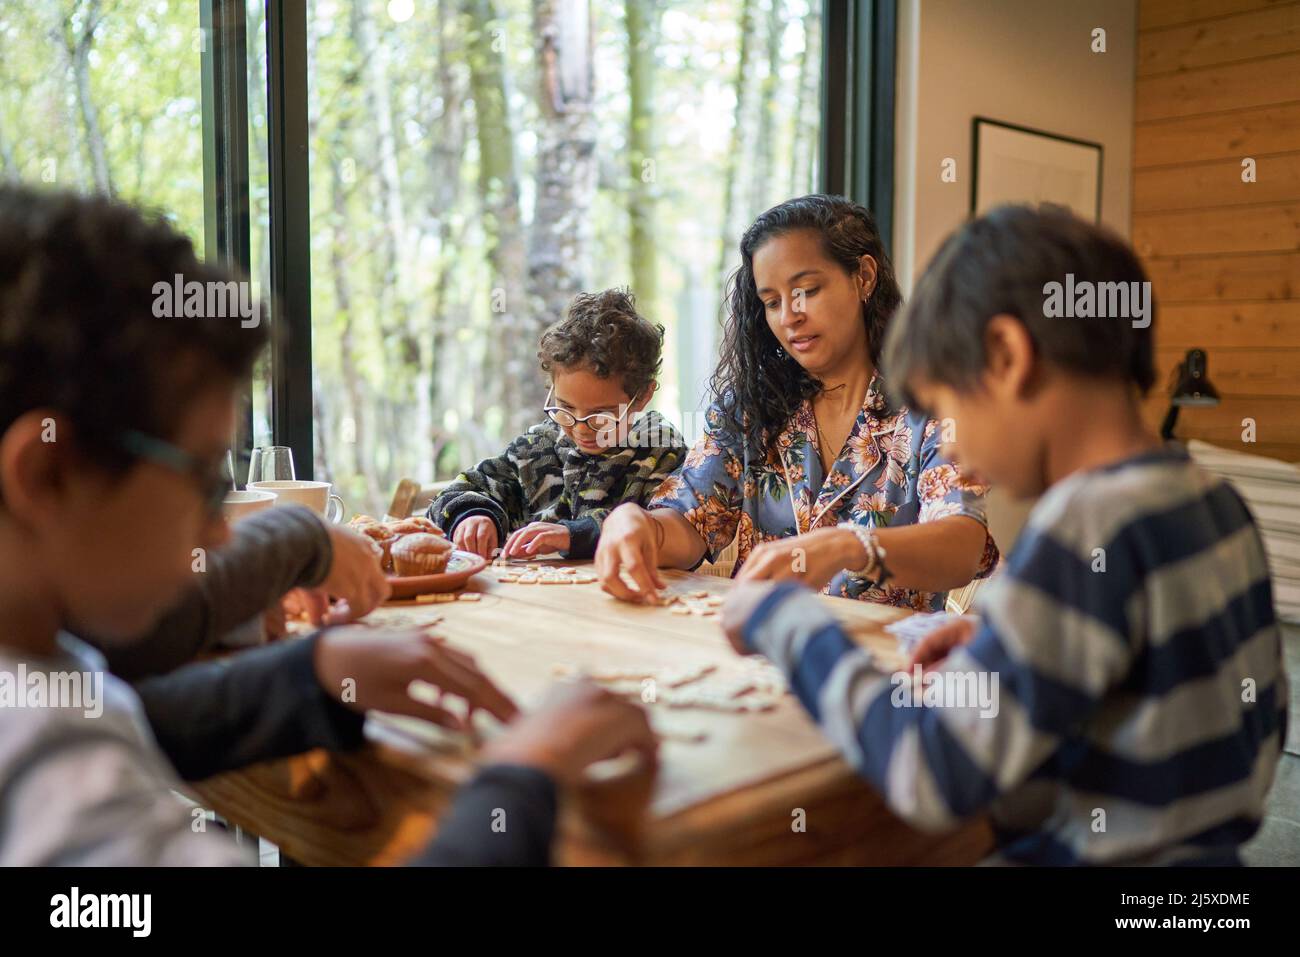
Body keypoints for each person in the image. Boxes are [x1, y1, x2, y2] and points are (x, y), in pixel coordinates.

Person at [0, 185, 655, 866]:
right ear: (46, 474)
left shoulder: (44, 673)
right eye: (204, 480)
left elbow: (127, 705)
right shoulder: (56, 788)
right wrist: (528, 772)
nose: (221, 534)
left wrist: (312, 673)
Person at [720, 204, 1287, 865]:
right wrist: (1009, 651)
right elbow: (1249, 727)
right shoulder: (1211, 500)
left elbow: (931, 775)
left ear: (1007, 357)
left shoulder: (1084, 529)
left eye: (950, 407)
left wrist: (790, 622)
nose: (954, 451)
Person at [596, 195, 998, 609]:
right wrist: (639, 525)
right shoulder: (751, 406)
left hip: (877, 663)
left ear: (863, 276)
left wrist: (847, 546)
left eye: (806, 290)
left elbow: (961, 547)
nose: (789, 316)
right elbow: (690, 520)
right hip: (755, 650)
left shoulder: (936, 406)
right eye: (772, 302)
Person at [431, 288, 687, 561]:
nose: (580, 428)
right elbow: (456, 493)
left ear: (644, 396)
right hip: (538, 600)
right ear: (552, 387)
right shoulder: (537, 447)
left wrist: (574, 535)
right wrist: (473, 515)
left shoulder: (660, 451)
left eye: (601, 415)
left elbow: (666, 529)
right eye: (565, 408)